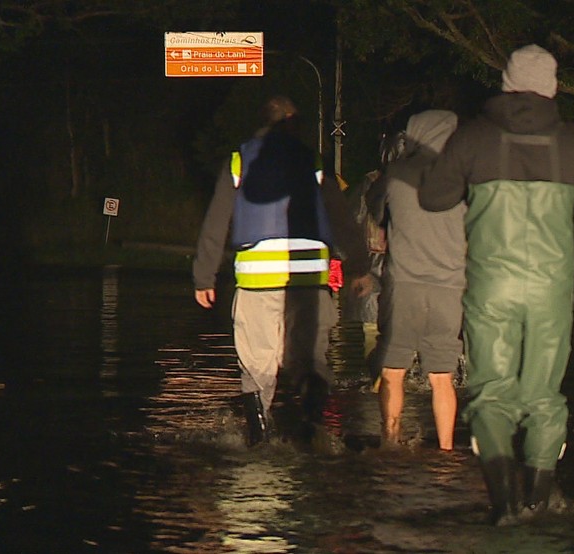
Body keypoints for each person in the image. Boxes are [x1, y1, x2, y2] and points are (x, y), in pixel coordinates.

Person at [419, 44, 574, 525]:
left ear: (506, 83)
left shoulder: (474, 138)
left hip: (492, 286)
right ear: (554, 88)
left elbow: (434, 198)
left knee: (491, 393)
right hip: (551, 290)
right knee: (544, 397)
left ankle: (504, 506)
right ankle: (537, 503)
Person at [192, 95, 373, 447]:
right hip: (309, 280)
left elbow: (216, 221)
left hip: (258, 281)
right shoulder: (313, 161)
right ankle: (311, 430)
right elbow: (340, 217)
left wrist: (204, 275)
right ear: (293, 121)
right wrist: (360, 265)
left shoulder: (239, 160)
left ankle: (259, 443)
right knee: (310, 360)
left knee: (258, 366)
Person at [365, 110, 465, 451]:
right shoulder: (464, 179)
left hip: (404, 285)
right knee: (442, 377)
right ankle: (447, 451)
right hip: (450, 288)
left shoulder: (396, 174)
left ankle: (390, 441)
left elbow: (373, 206)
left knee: (393, 369)